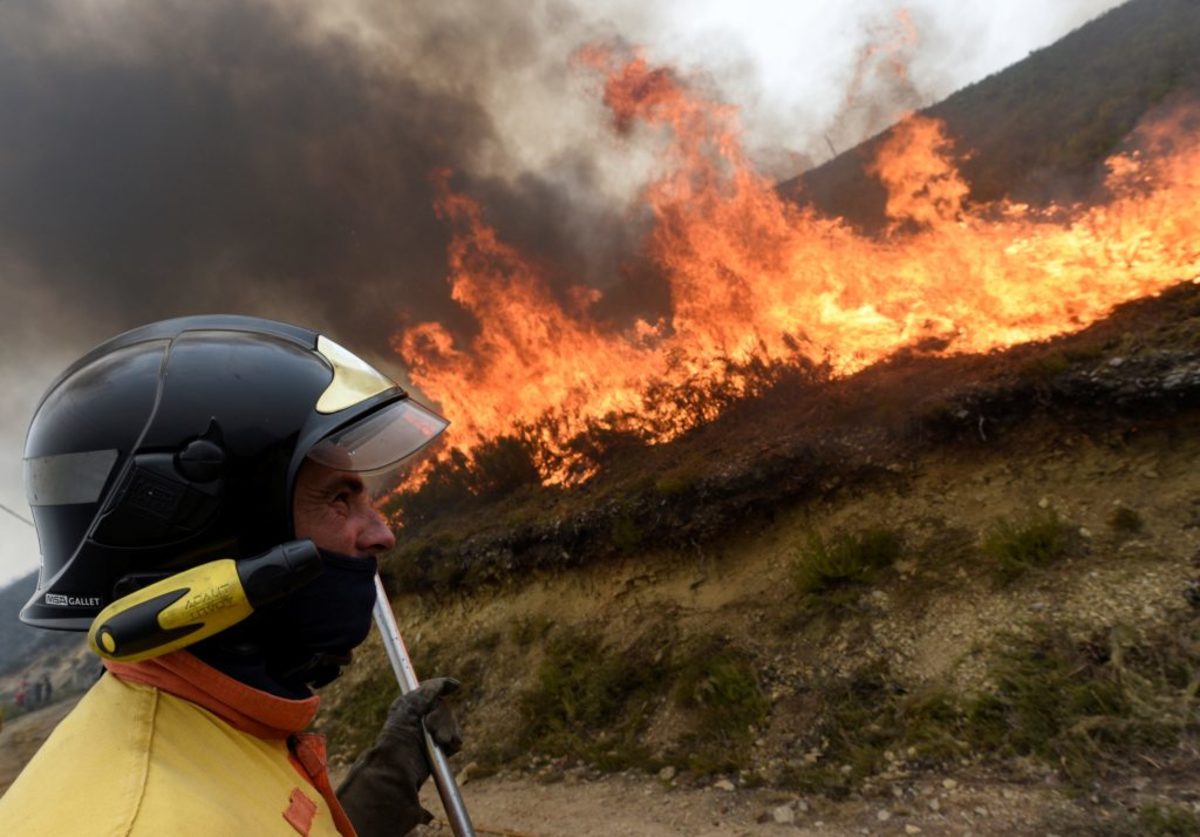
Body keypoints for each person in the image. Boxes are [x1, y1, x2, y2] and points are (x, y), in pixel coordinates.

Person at [0, 315, 461, 836]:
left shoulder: (210, 723)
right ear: (221, 537)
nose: (382, 533)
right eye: (338, 499)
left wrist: (391, 774)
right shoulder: (146, 821)